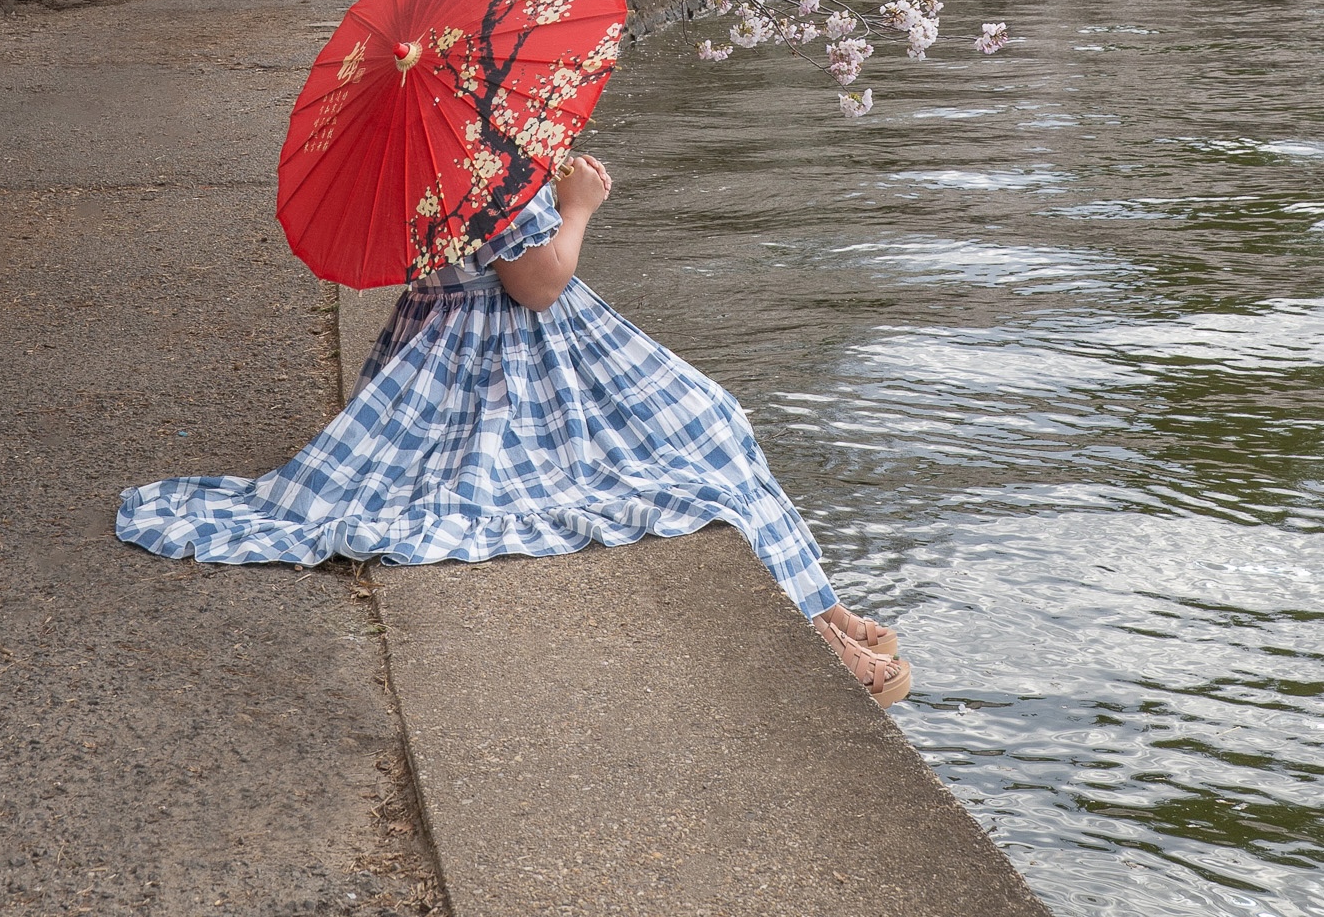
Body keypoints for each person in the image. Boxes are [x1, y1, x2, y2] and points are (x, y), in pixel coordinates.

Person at [117, 153, 910, 707]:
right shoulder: (480, 158)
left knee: (705, 421)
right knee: (692, 445)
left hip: (445, 337)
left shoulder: (451, 148)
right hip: (505, 356)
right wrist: (577, 207)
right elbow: (536, 283)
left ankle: (818, 601)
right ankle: (812, 629)